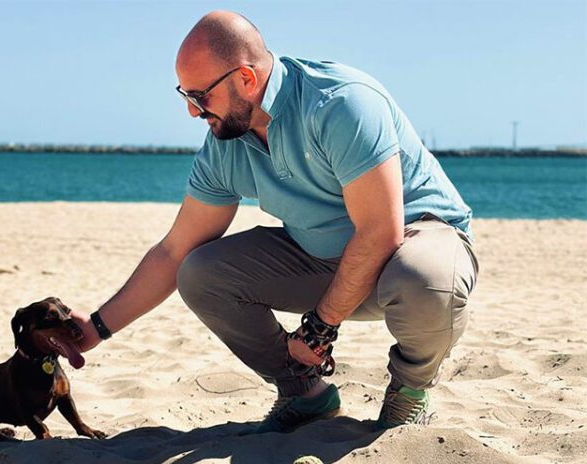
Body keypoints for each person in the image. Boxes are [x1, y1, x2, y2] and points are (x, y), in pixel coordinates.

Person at [71, 10, 479, 433]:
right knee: (200, 272)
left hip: (410, 244)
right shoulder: (225, 143)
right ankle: (305, 393)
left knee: (425, 278)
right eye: (184, 95)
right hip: (321, 258)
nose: (192, 113)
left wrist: (321, 326)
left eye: (199, 97)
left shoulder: (339, 102)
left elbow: (380, 233)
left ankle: (410, 392)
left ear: (246, 79)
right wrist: (97, 327)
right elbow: (175, 250)